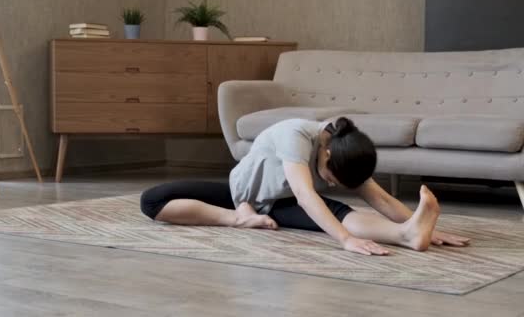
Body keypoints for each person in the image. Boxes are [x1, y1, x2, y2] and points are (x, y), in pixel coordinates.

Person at [140, 117, 470, 256]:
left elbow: (378, 197)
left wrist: (416, 221)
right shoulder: (297, 135)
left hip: (282, 204)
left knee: (338, 211)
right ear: (324, 154)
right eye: (332, 176)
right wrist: (345, 240)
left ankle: (408, 235)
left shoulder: (344, 149)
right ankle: (240, 219)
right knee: (153, 201)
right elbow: (305, 193)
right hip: (245, 196)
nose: (332, 182)